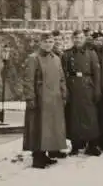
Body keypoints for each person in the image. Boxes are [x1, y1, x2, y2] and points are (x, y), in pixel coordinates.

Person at [22, 32, 68, 168]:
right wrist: (30, 98)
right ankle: (37, 157)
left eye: (51, 42)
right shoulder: (33, 58)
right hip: (40, 98)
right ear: (40, 43)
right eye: (46, 41)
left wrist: (64, 93)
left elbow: (61, 78)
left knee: (51, 128)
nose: (48, 44)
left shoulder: (56, 58)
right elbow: (28, 80)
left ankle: (46, 154)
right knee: (38, 127)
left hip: (54, 99)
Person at [61, 30, 102, 156]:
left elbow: (97, 73)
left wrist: (97, 90)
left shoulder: (91, 53)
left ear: (84, 39)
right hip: (73, 87)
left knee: (90, 116)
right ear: (73, 39)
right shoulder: (67, 54)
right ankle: (75, 145)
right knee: (74, 117)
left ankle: (92, 144)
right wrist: (66, 90)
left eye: (80, 37)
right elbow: (63, 73)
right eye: (76, 38)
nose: (78, 40)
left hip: (88, 86)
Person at [91, 30, 103, 151]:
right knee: (94, 114)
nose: (99, 42)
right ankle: (95, 140)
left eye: (101, 40)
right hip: (93, 86)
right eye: (96, 40)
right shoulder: (90, 52)